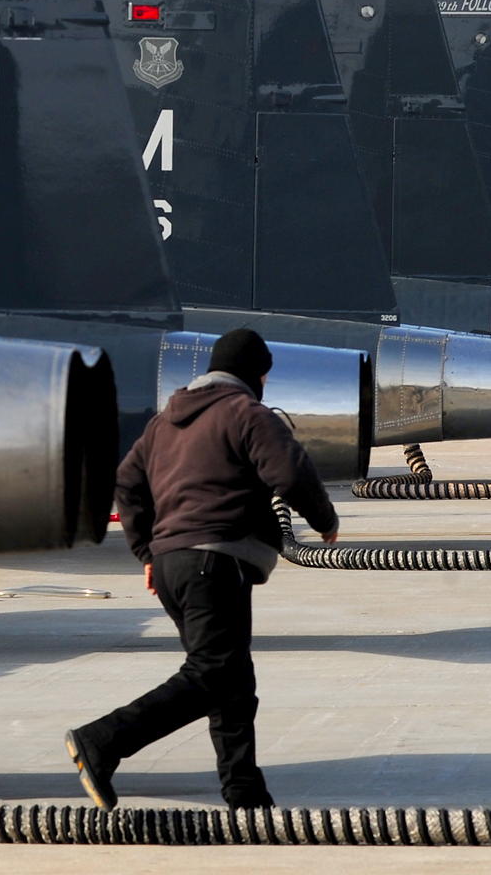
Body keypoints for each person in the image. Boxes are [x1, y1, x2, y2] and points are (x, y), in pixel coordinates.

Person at [64, 328, 340, 812]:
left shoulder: (165, 422)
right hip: (214, 559)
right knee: (212, 674)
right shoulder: (246, 413)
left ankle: (244, 792)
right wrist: (326, 521)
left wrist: (147, 553)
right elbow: (291, 471)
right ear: (256, 373)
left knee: (232, 678)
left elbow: (126, 484)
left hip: (176, 564)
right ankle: (102, 740)